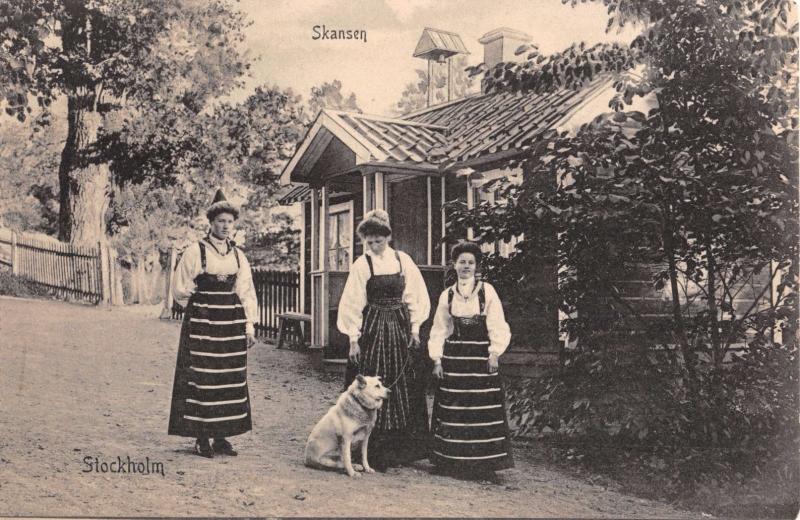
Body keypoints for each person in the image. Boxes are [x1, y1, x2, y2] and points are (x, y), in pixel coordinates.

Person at [336, 209, 431, 471]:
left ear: (387, 237)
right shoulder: (361, 265)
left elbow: (416, 295)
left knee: (403, 382)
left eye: (379, 240)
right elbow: (352, 303)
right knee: (373, 379)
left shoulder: (403, 261)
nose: (374, 245)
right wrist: (353, 338)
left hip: (400, 329)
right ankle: (372, 448)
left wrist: (414, 329)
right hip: (374, 328)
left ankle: (402, 448)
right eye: (369, 241)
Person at [168, 189, 258, 458]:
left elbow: (246, 292)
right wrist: (195, 307)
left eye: (229, 222)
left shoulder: (239, 256)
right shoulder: (195, 251)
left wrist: (249, 325)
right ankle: (202, 437)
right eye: (220, 221)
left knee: (228, 377)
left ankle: (222, 436)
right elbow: (180, 287)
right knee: (203, 376)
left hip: (230, 323)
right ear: (211, 222)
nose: (225, 226)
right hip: (204, 322)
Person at [428, 241, 514, 477]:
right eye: (462, 262)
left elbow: (498, 324)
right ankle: (452, 461)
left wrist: (494, 352)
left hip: (480, 356)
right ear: (454, 265)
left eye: (471, 263)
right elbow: (439, 329)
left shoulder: (487, 291)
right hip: (455, 358)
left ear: (477, 266)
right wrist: (437, 360)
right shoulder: (447, 295)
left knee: (481, 407)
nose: (466, 266)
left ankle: (484, 465)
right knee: (455, 407)